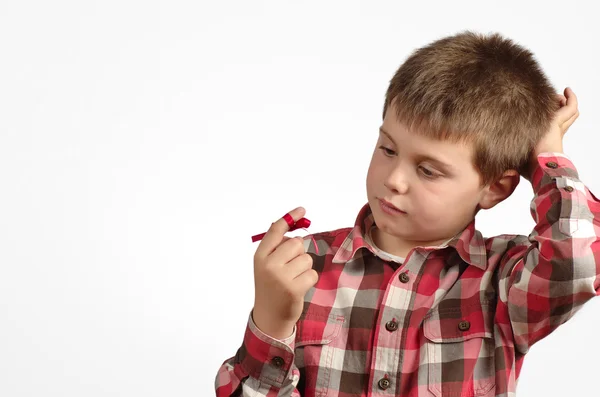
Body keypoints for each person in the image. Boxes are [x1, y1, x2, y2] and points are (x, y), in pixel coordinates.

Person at [214, 30, 600, 397]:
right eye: (387, 149)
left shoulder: (503, 282)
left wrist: (547, 157)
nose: (394, 180)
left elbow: (576, 262)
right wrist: (271, 322)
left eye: (428, 170)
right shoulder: (305, 266)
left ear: (496, 187)